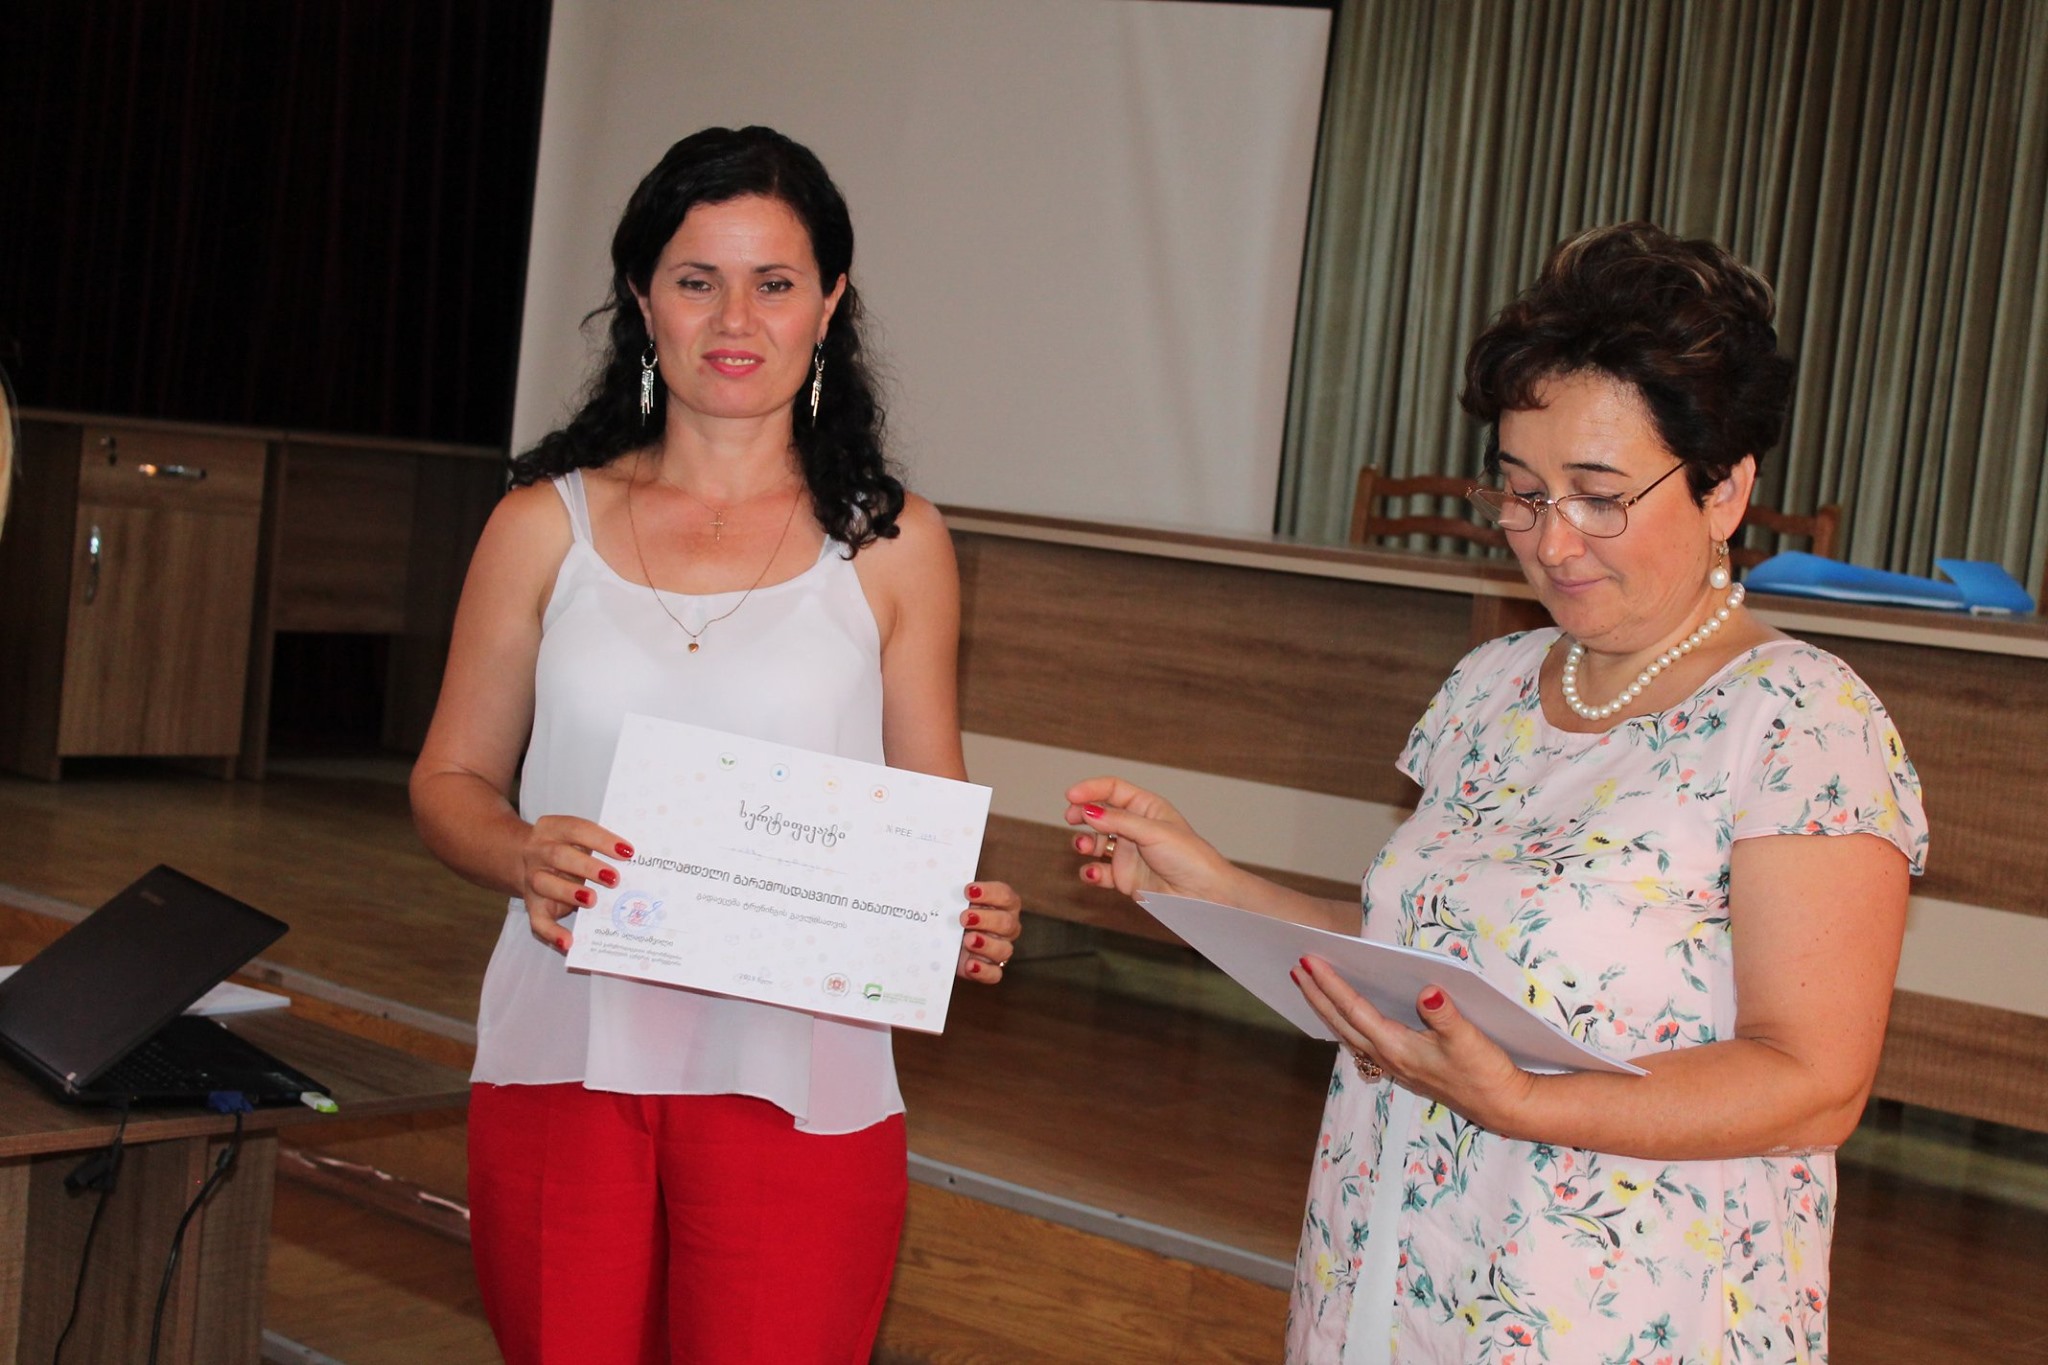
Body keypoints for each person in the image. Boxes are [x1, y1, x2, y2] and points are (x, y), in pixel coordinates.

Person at [1067, 223, 1925, 1365]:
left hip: (1620, 1305)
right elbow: (1418, 960)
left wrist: (1523, 1104)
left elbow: (1811, 1084)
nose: (1550, 541)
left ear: (1723, 489)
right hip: (1395, 1252)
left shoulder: (1801, 720)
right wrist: (1206, 882)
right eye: (1521, 493)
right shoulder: (1491, 685)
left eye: (1597, 496)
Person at [410, 125, 1023, 1365]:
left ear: (829, 303)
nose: (735, 319)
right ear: (644, 301)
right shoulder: (542, 523)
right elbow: (448, 780)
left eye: (774, 282)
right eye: (697, 280)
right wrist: (520, 853)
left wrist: (960, 909)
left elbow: (928, 809)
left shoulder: (895, 543)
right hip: (565, 1051)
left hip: (798, 1073)